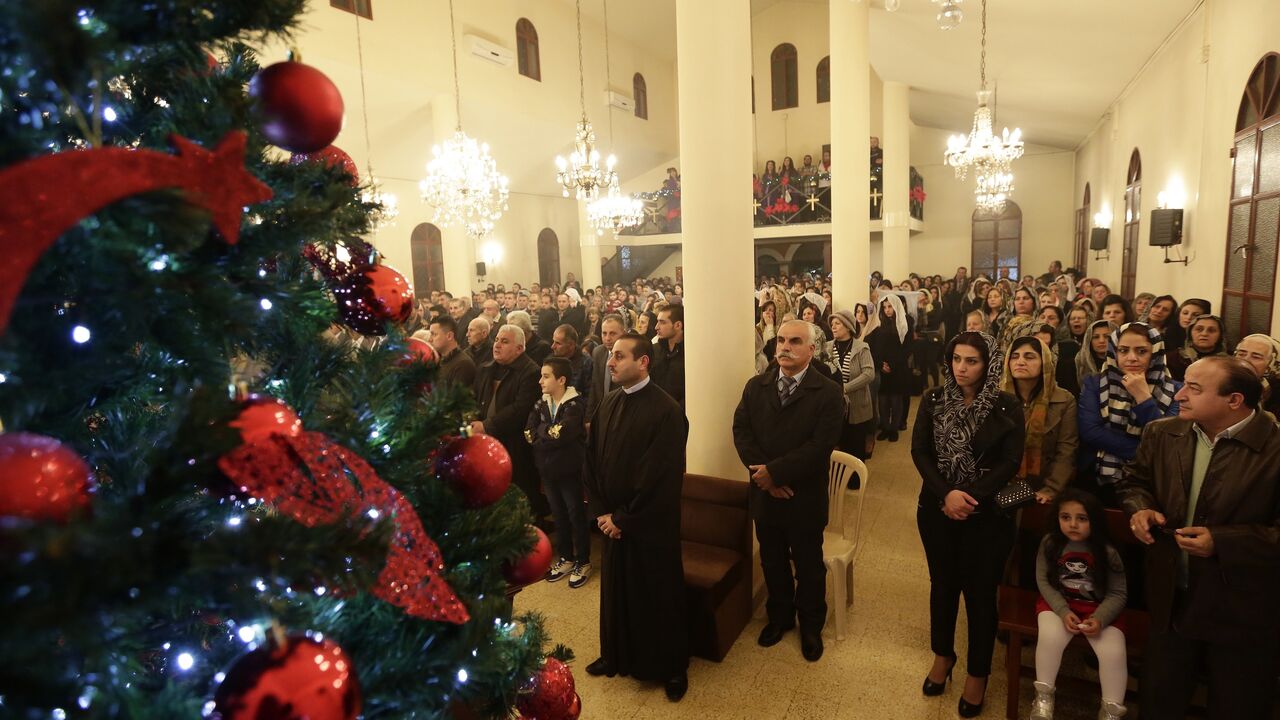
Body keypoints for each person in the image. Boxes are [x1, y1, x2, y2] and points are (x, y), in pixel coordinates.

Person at [1119, 356, 1280, 719]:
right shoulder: (1163, 432)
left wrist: (1222, 542)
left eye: (1194, 388)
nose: (1179, 395)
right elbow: (1134, 482)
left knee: (1237, 704)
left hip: (1242, 606)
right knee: (1161, 700)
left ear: (1234, 400)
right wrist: (1140, 508)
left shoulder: (1273, 447)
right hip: (1173, 594)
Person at [912, 331, 1024, 718]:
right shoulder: (934, 399)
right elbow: (920, 451)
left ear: (988, 364)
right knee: (942, 586)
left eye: (971, 361)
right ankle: (943, 656)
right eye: (956, 359)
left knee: (979, 594)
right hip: (937, 509)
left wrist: (968, 497)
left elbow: (1011, 461)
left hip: (986, 514)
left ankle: (978, 674)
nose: (961, 367)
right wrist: (946, 494)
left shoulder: (1007, 406)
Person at [583, 334, 690, 701]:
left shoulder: (667, 411)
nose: (610, 363)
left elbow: (661, 475)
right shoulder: (609, 403)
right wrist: (601, 512)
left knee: (657, 596)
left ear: (643, 362)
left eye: (618, 356)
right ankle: (616, 654)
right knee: (616, 593)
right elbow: (591, 461)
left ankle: (671, 667)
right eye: (611, 356)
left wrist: (624, 519)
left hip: (649, 525)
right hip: (612, 522)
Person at [732, 320, 844, 663]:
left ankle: (811, 625)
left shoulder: (827, 392)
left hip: (803, 496)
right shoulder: (757, 386)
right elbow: (742, 431)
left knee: (809, 565)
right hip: (766, 494)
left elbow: (819, 446)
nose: (784, 347)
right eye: (781, 340)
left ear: (811, 349)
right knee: (773, 560)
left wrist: (777, 474)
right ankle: (779, 618)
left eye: (795, 341)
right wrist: (765, 477)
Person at [1030, 489, 1129, 720]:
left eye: (1081, 518)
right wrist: (1063, 611)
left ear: (1094, 520)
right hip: (1058, 604)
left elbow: (1118, 593)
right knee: (1050, 638)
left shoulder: (1107, 551)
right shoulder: (1050, 543)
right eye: (1066, 517)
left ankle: (1111, 711)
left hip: (1099, 609)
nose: (1073, 524)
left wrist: (1100, 618)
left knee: (1114, 652)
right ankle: (1044, 695)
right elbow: (1043, 580)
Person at [1077, 322, 1181, 507]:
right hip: (1098, 477)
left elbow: (1165, 440)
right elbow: (1091, 431)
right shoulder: (1095, 383)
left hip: (1152, 482)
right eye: (1123, 350)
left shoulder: (1176, 390)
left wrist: (1143, 397)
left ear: (1155, 354)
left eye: (1141, 351)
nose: (1131, 358)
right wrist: (1145, 455)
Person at [524, 357, 591, 588]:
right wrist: (546, 432)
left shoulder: (574, 404)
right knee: (558, 514)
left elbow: (562, 434)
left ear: (561, 379)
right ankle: (566, 557)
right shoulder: (540, 402)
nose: (540, 380)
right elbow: (528, 433)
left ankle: (582, 560)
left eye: (545, 376)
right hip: (547, 468)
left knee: (575, 514)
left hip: (569, 470)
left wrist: (543, 433)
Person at [472, 325, 547, 517]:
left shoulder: (531, 372)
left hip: (515, 443)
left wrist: (487, 425)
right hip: (488, 439)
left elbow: (520, 410)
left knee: (518, 491)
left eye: (505, 342)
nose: (497, 345)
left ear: (520, 348)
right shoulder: (486, 368)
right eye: (497, 339)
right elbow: (475, 398)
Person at [1003, 336, 1078, 503]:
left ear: (1044, 362)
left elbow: (1066, 450)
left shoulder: (1064, 400)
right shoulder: (997, 399)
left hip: (1043, 487)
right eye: (1014, 356)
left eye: (1029, 357)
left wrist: (1050, 489)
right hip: (1002, 486)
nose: (1020, 362)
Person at [830, 310, 875, 464]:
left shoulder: (861, 347)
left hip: (857, 404)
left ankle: (855, 478)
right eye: (832, 324)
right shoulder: (828, 347)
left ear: (848, 326)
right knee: (836, 442)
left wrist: (845, 388)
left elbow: (869, 374)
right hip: (834, 404)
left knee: (855, 443)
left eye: (837, 323)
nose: (833, 327)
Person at [869, 293, 913, 442]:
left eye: (890, 307)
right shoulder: (879, 325)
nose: (887, 310)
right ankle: (886, 428)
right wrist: (880, 364)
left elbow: (907, 349)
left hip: (898, 367)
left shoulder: (904, 323)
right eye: (885, 307)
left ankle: (894, 428)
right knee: (883, 400)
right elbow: (873, 347)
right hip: (882, 366)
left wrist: (893, 365)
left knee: (895, 400)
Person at [586, 313, 626, 425]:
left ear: (623, 333)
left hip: (622, 415)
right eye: (604, 333)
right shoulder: (597, 352)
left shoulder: (630, 356)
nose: (607, 338)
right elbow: (594, 387)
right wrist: (589, 418)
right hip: (601, 414)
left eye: (612, 333)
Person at [1166, 313, 1227, 382]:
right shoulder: (1172, 359)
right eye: (1199, 329)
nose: (1204, 334)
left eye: (1211, 330)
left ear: (1220, 336)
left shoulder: (1227, 363)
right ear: (1190, 333)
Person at [1233, 332, 1280, 417]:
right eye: (1241, 354)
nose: (1245, 360)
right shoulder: (1219, 383)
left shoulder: (1274, 394)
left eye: (1256, 357)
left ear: (1271, 364)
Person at [428, 315, 477, 388]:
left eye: (434, 334)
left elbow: (455, 398)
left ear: (449, 336)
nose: (430, 339)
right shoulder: (438, 359)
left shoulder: (463, 364)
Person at [651, 304, 685, 408]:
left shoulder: (690, 354)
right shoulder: (654, 349)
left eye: (662, 322)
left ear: (678, 325)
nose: (656, 327)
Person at [1074, 319, 1115, 390]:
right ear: (1089, 340)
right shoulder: (1080, 361)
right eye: (1096, 337)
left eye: (1107, 336)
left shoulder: (1123, 361)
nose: (1101, 341)